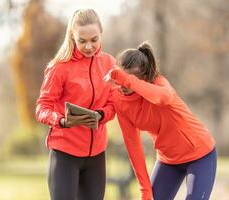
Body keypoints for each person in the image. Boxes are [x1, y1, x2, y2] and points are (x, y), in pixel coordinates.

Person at [104, 42, 217, 200]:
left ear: (143, 77)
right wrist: (145, 189)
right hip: (168, 160)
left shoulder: (158, 82)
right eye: (119, 76)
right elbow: (133, 145)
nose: (121, 84)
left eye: (127, 79)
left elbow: (163, 98)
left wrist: (126, 80)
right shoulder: (119, 99)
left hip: (200, 154)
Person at [35, 9, 115, 200]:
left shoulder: (110, 64)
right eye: (82, 41)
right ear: (72, 37)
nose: (89, 46)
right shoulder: (59, 67)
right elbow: (42, 108)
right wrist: (61, 120)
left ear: (101, 33)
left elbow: (114, 104)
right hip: (65, 155)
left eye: (94, 40)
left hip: (96, 155)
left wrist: (101, 115)